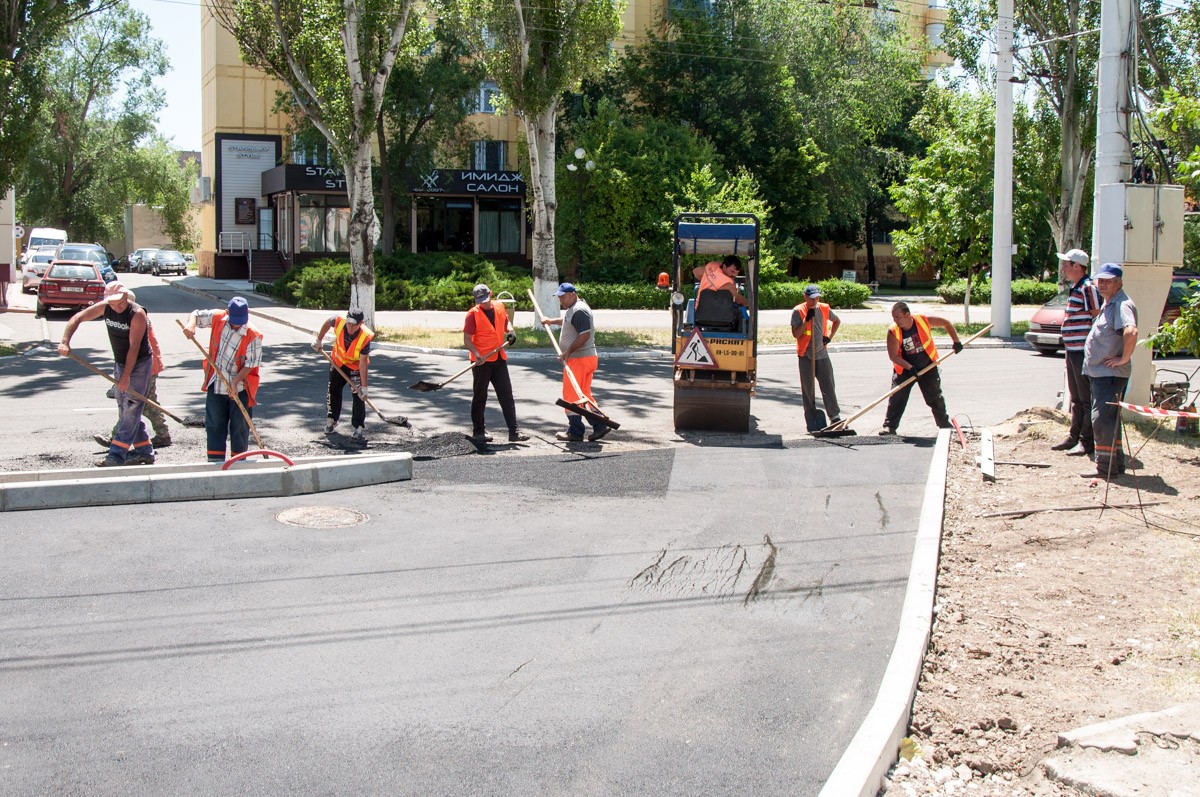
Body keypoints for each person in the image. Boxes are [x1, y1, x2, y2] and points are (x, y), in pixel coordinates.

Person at [57, 281, 156, 467]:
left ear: (126, 297)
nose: (116, 307)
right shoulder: (105, 308)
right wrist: (65, 341)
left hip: (139, 363)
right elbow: (77, 318)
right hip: (120, 362)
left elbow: (134, 349)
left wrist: (126, 377)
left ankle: (116, 455)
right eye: (112, 303)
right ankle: (144, 451)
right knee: (124, 408)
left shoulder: (137, 314)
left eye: (119, 302)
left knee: (132, 406)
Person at [182, 297, 263, 463]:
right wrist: (190, 325)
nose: (236, 325)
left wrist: (235, 382)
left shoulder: (253, 335)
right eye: (234, 321)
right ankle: (215, 462)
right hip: (216, 382)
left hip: (241, 386)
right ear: (228, 312)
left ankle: (238, 462)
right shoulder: (218, 317)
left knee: (239, 427)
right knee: (214, 424)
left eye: (240, 322)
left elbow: (251, 364)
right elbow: (196, 315)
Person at [94, 290, 171, 449]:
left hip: (145, 368)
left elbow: (135, 348)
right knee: (138, 403)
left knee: (137, 404)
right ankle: (158, 436)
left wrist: (125, 376)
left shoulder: (138, 318)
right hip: (140, 367)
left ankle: (118, 438)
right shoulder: (129, 317)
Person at [1081, 263, 1137, 479]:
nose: (1102, 284)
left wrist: (1123, 358)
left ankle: (1104, 468)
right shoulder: (1110, 303)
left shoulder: (1122, 304)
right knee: (1108, 420)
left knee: (1101, 420)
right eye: (1100, 280)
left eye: (1108, 280)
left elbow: (1131, 331)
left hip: (1110, 375)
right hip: (1101, 374)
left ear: (1119, 282)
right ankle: (1115, 465)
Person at [879, 302, 962, 435]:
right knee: (897, 396)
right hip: (905, 369)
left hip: (927, 366)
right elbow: (893, 356)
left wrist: (956, 341)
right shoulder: (893, 331)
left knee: (935, 396)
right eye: (893, 317)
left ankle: (944, 425)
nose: (895, 320)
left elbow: (946, 323)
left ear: (907, 315)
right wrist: (909, 367)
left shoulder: (922, 320)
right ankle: (889, 426)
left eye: (898, 317)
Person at [542, 283, 610, 442]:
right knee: (584, 395)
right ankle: (599, 425)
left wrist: (567, 352)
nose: (561, 301)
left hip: (579, 359)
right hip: (584, 358)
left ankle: (576, 431)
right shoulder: (574, 310)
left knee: (571, 396)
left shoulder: (579, 310)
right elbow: (567, 321)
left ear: (573, 294)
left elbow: (584, 335)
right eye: (559, 298)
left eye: (563, 297)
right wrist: (550, 321)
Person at [1051, 249, 1101, 458]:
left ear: (1077, 267)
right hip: (1072, 350)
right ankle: (1074, 436)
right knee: (1076, 397)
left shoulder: (1088, 288)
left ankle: (1086, 441)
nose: (1063, 268)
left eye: (1067, 264)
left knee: (1085, 397)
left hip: (1082, 350)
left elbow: (1096, 315)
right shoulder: (1076, 287)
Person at [463, 283, 528, 443]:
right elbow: (467, 339)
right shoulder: (472, 314)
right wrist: (477, 354)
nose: (484, 303)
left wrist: (511, 332)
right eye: (480, 300)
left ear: (490, 294)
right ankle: (478, 432)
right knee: (480, 396)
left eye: (486, 299)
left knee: (506, 395)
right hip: (481, 362)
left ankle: (514, 432)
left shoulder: (499, 307)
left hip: (499, 358)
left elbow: (506, 322)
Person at [313, 306, 372, 440]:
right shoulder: (339, 321)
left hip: (355, 366)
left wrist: (364, 387)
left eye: (354, 325)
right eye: (349, 324)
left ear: (361, 324)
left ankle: (358, 426)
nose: (350, 328)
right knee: (333, 389)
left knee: (358, 395)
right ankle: (331, 420)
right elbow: (328, 322)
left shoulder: (365, 337)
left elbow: (363, 363)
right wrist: (319, 339)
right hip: (337, 362)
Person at [791, 284, 842, 429]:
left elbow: (837, 321)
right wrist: (806, 320)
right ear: (805, 297)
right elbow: (796, 334)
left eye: (817, 298)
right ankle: (811, 415)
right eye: (812, 298)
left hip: (821, 353)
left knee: (828, 385)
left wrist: (829, 337)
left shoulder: (824, 308)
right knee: (808, 389)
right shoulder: (798, 311)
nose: (815, 301)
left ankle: (834, 416)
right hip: (805, 355)